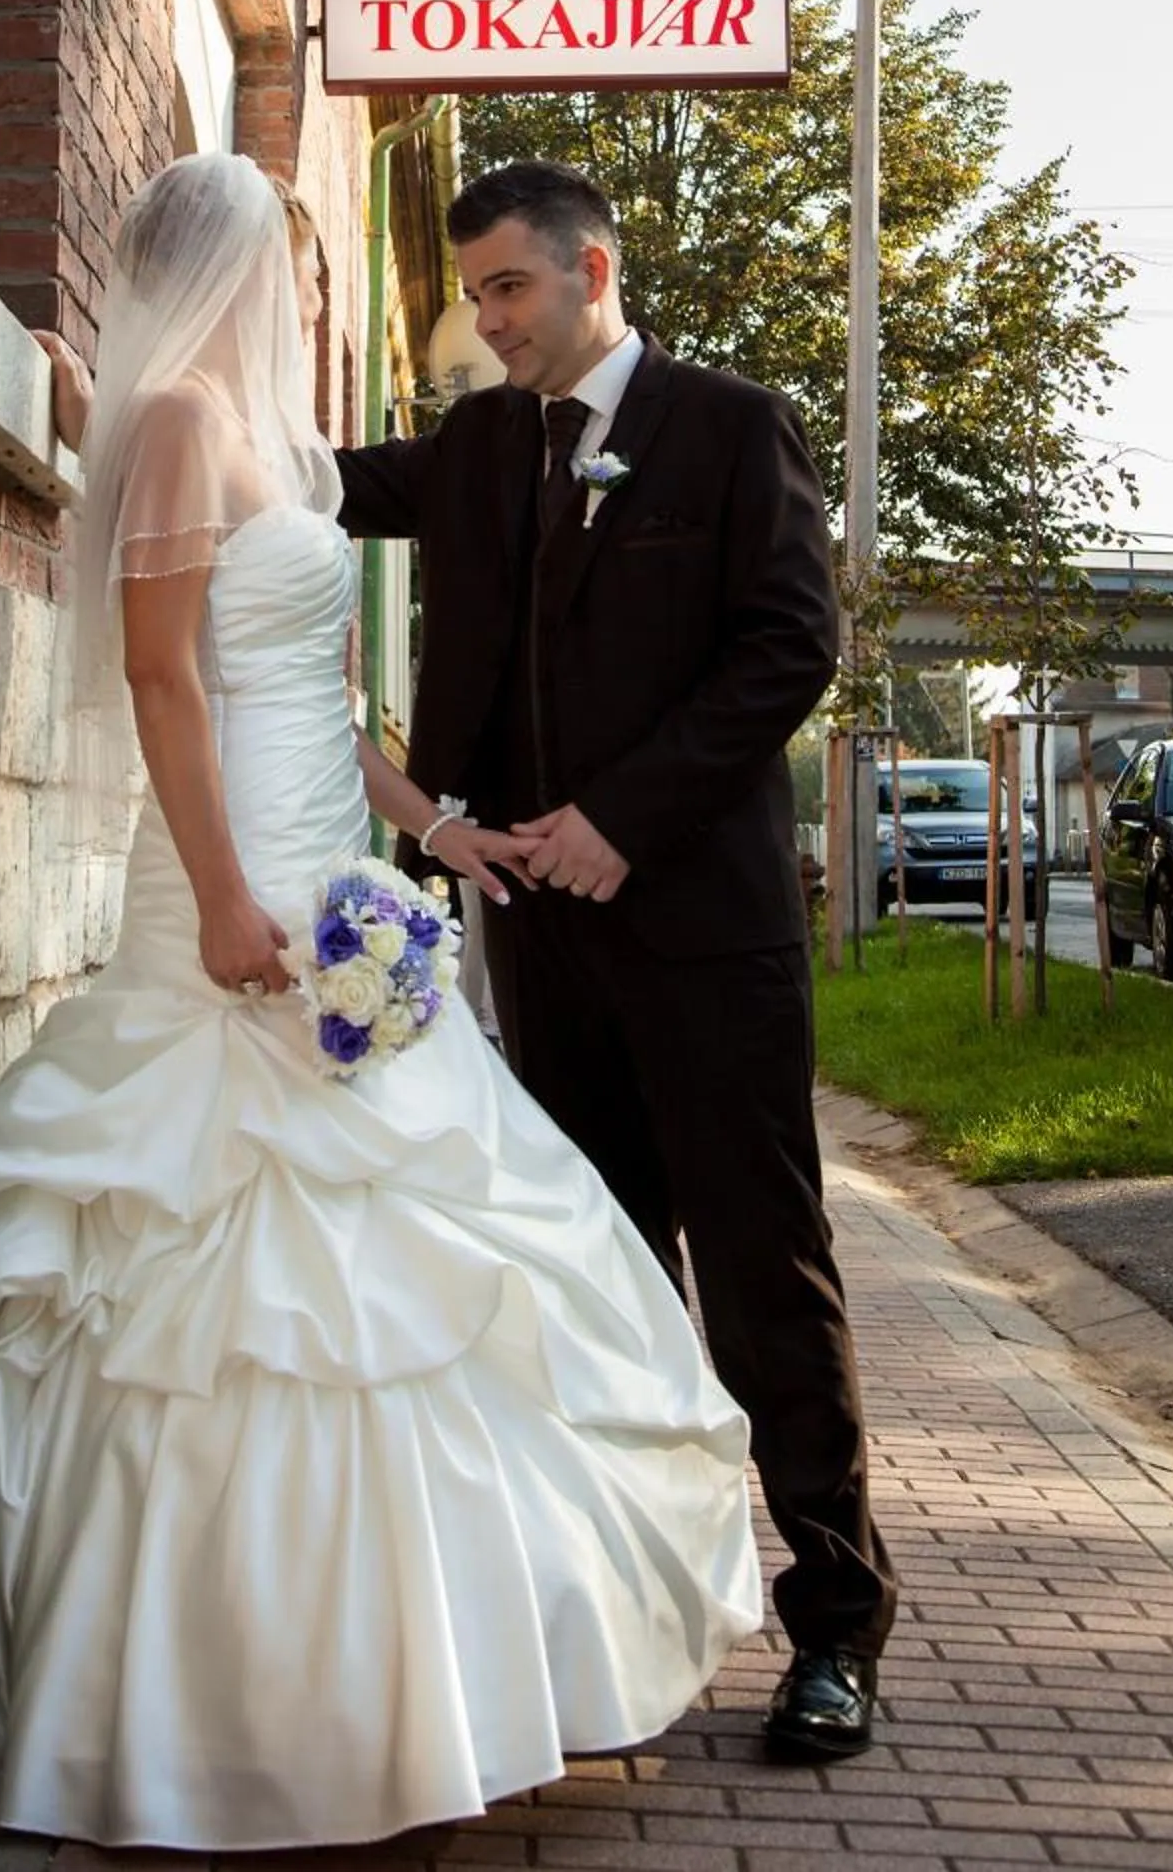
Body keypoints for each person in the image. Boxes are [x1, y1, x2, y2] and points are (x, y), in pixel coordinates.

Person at [0, 153, 760, 1851]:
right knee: (249, 1289)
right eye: (293, 275)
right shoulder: (170, 419)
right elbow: (164, 676)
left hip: (337, 879)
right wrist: (229, 894)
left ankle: (447, 1693)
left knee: (438, 1254)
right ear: (229, 272)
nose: (308, 300)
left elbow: (320, 693)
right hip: (230, 894)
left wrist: (435, 828)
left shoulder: (280, 457)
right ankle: (224, 1726)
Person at [334, 160, 893, 1763]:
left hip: (705, 937)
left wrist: (622, 818)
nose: (486, 324)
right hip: (541, 940)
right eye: (475, 297)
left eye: (507, 290)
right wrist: (160, 402)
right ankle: (626, 1610)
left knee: (761, 1275)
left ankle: (839, 1626)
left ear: (590, 269)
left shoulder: (731, 428)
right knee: (593, 1271)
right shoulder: (484, 445)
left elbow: (789, 644)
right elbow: (320, 483)